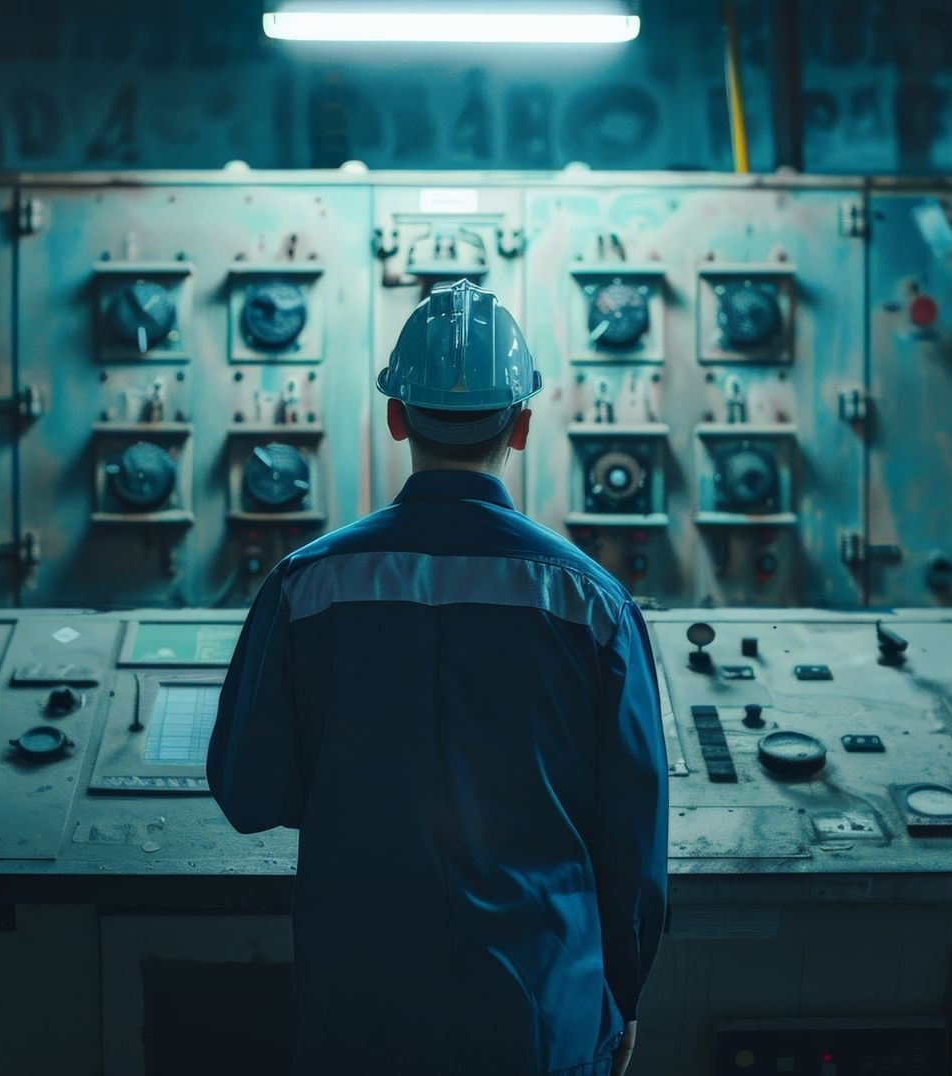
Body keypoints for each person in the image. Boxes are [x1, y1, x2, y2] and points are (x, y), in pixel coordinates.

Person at [209, 279, 668, 1076]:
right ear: (523, 426)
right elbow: (634, 844)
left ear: (395, 419)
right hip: (540, 1010)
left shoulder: (305, 585)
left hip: (360, 1009)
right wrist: (621, 996)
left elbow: (249, 796)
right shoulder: (592, 602)